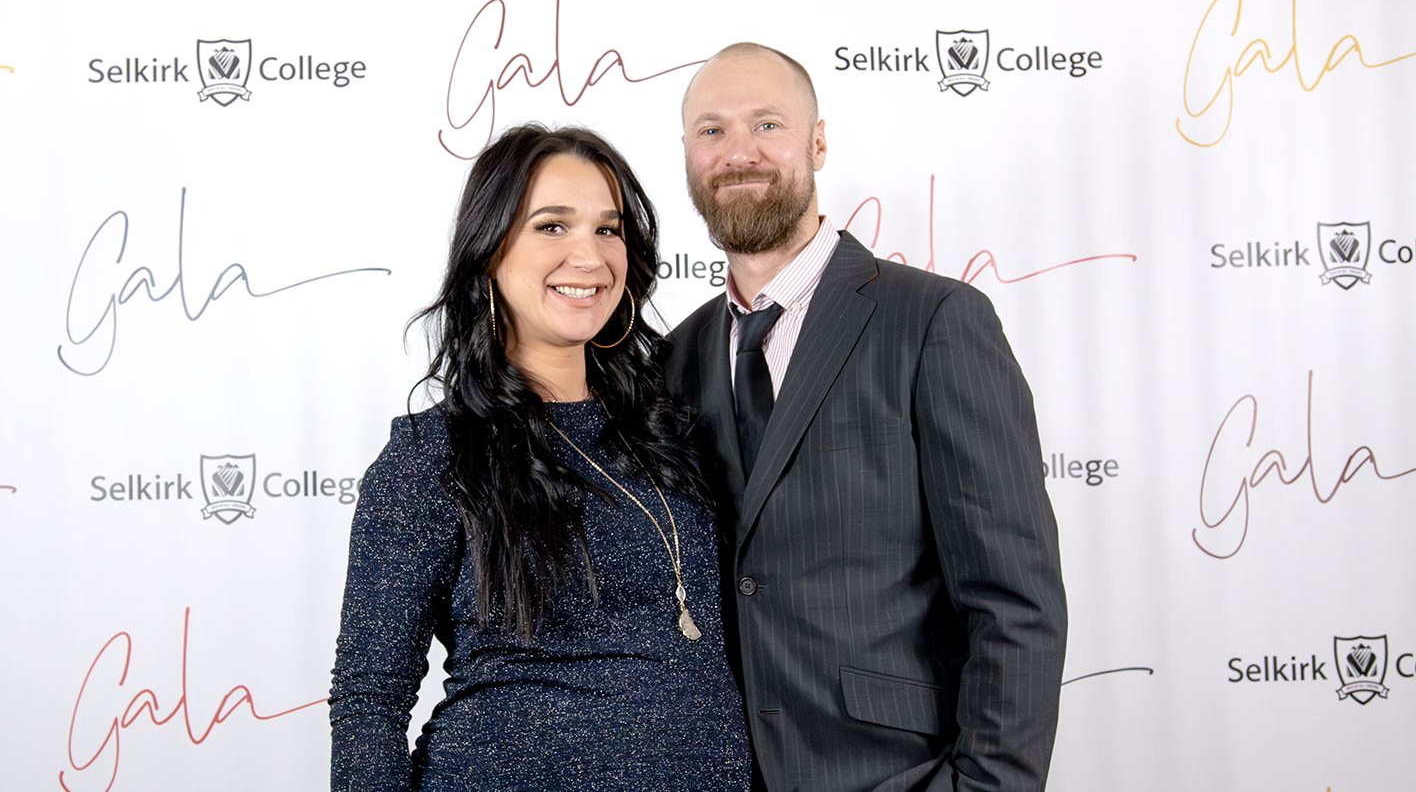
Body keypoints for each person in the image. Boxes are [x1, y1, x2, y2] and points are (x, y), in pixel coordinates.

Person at [665, 43, 1068, 792]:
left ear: (818, 142)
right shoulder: (673, 360)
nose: (739, 152)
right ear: (687, 153)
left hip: (896, 773)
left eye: (767, 125)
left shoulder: (935, 321)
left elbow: (1014, 602)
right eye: (712, 130)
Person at [329, 124, 751, 792]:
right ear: (489, 252)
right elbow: (368, 701)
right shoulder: (432, 455)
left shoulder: (671, 432)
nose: (589, 255)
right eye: (552, 227)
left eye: (608, 230)